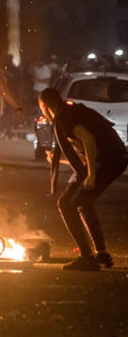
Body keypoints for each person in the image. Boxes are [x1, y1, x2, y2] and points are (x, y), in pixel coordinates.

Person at [39, 88, 127, 271]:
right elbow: (85, 154)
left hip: (111, 158)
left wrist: (91, 175)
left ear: (45, 106)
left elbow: (89, 140)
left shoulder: (65, 117)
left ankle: (87, 257)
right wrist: (59, 160)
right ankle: (99, 253)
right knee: (77, 202)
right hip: (111, 158)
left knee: (70, 203)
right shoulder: (69, 112)